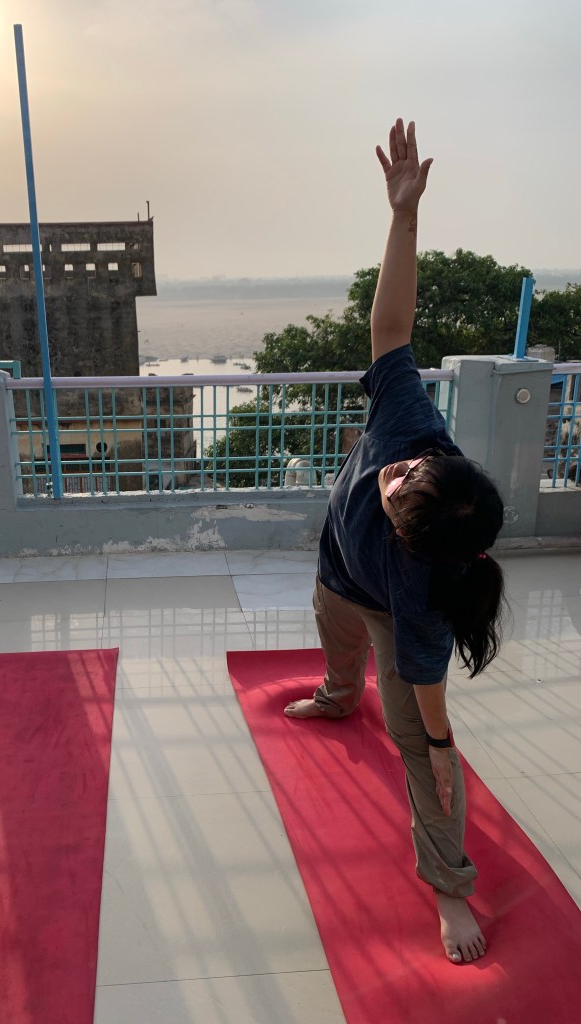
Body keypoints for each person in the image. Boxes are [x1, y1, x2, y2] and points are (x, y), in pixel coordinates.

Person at [284, 118, 506, 966]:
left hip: (378, 605)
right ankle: (340, 697)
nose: (397, 470)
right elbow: (391, 328)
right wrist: (404, 216)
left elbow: (431, 694)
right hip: (336, 573)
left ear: (414, 537)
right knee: (335, 646)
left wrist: (442, 747)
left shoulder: (420, 599)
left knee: (425, 758)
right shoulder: (416, 426)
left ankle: (450, 886)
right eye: (409, 469)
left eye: (400, 485)